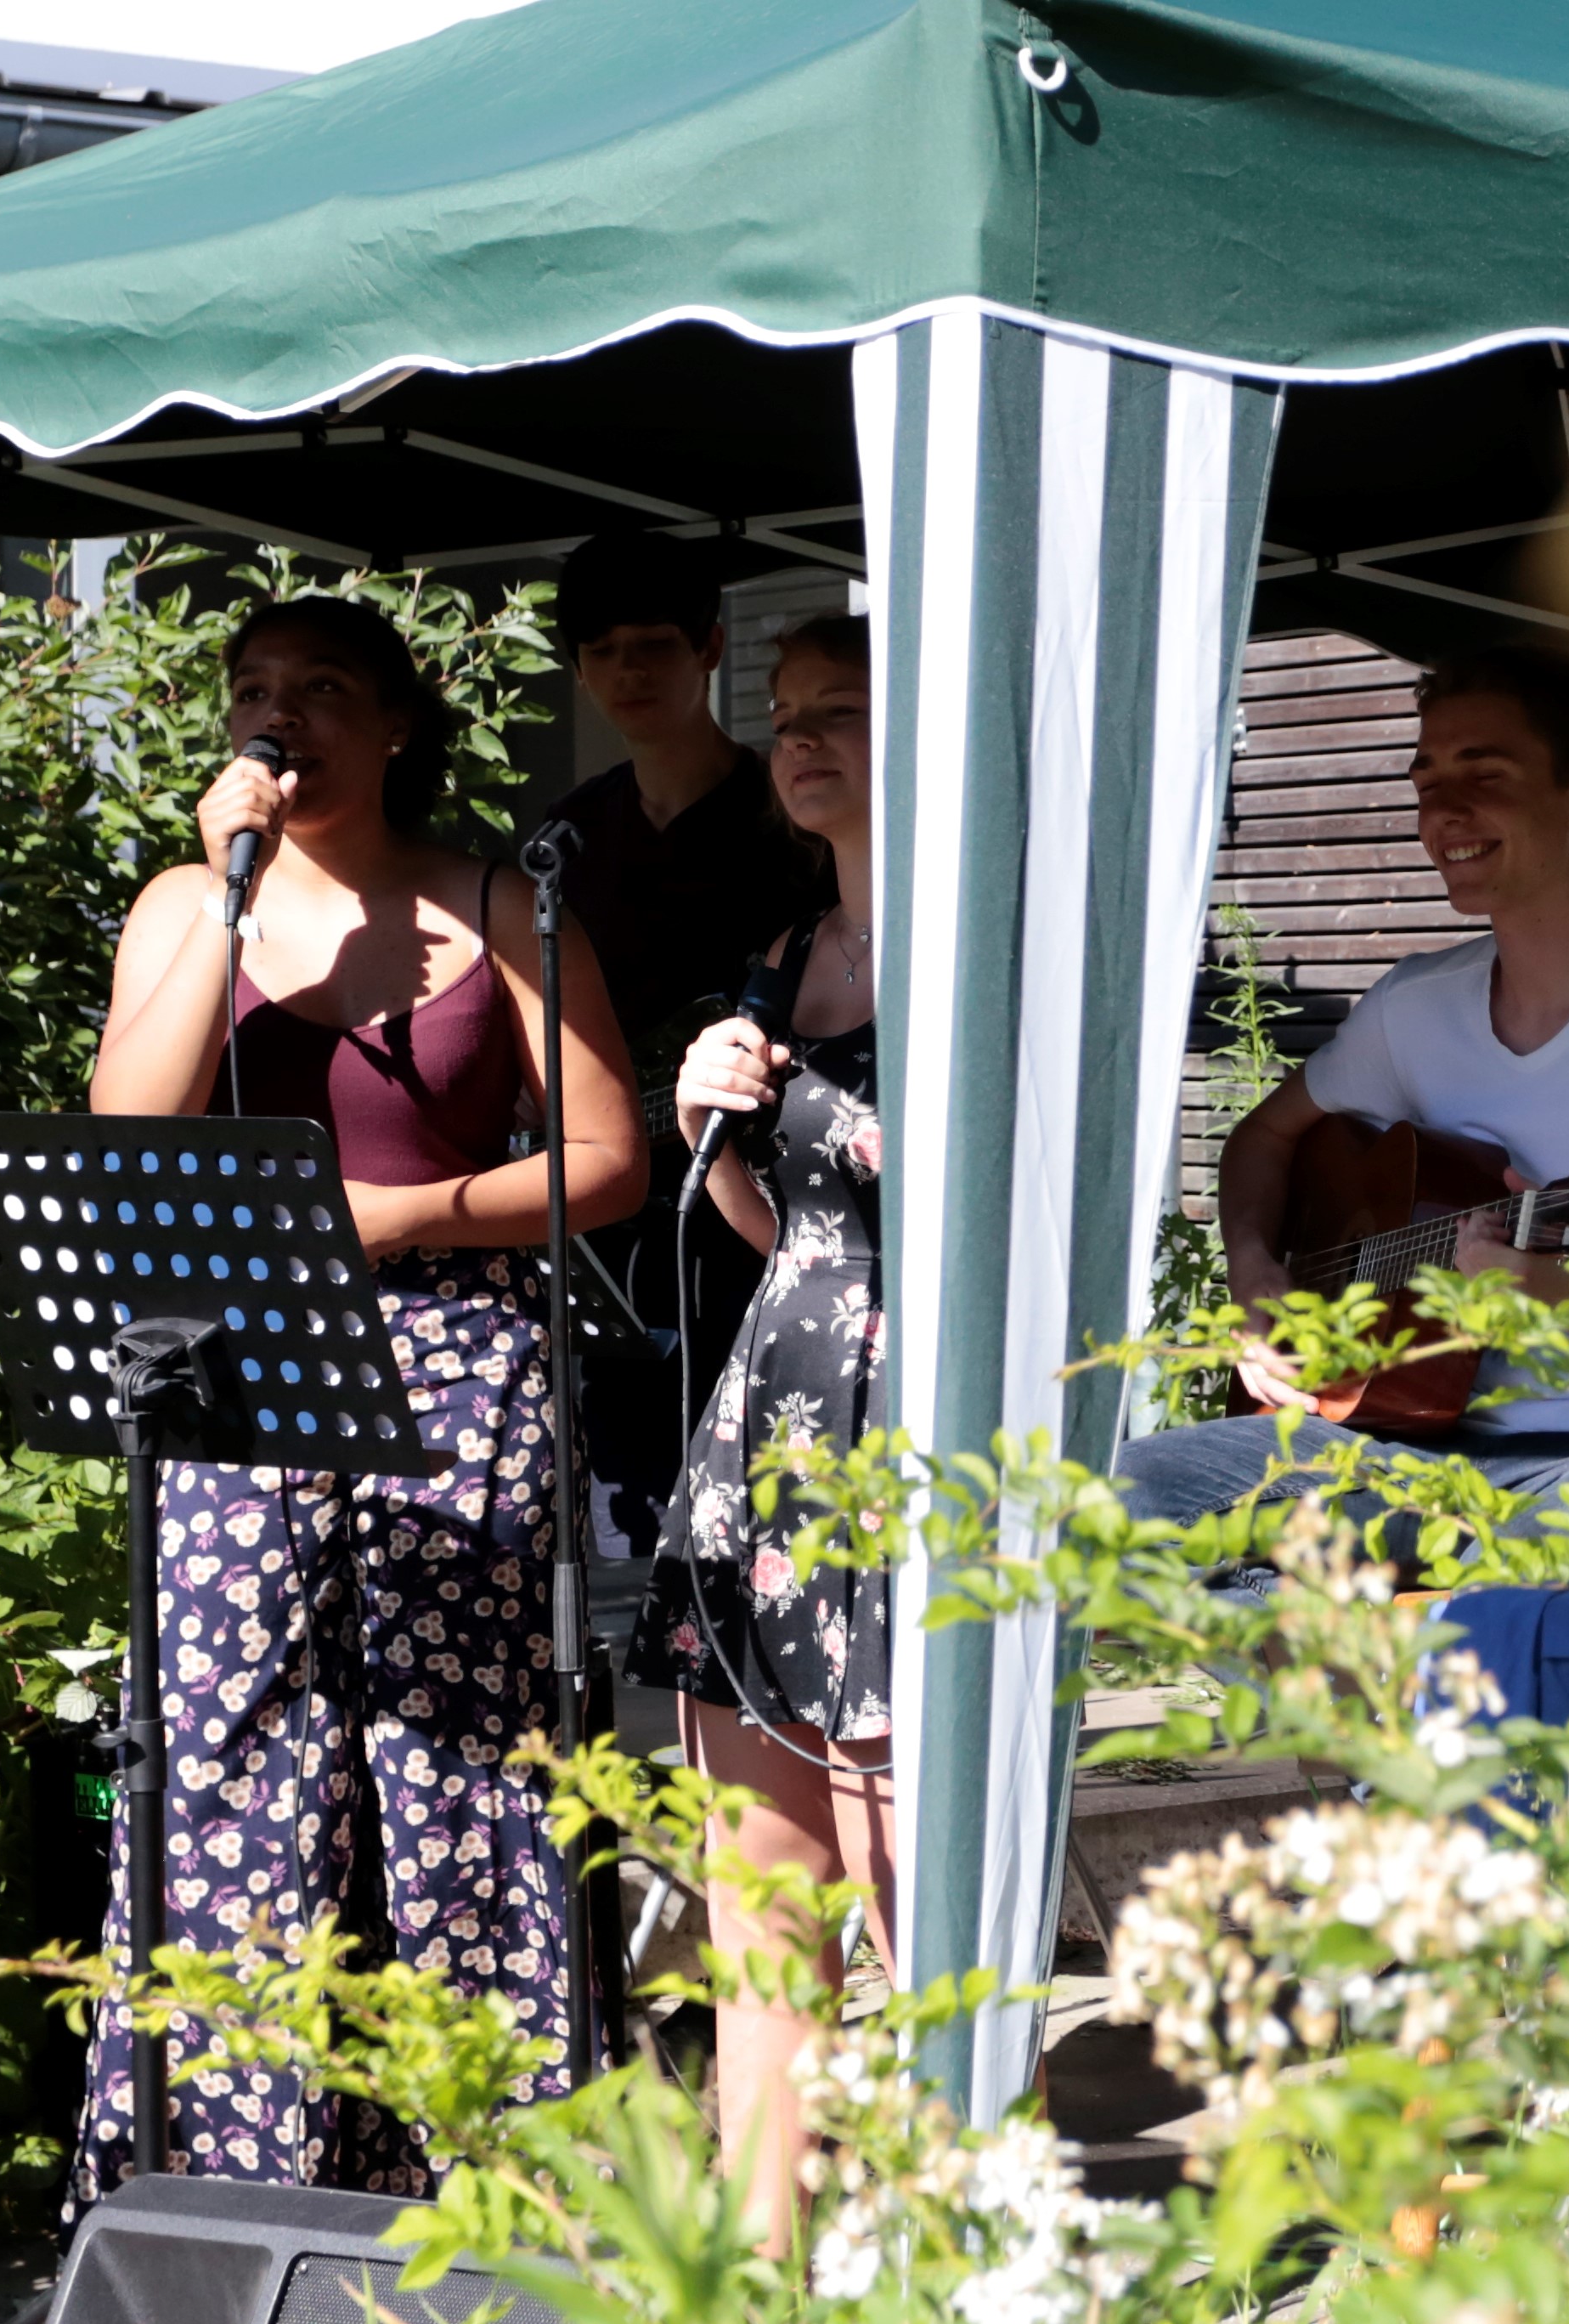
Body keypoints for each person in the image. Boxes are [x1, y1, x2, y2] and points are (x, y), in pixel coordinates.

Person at [73, 594, 648, 2207]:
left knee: (452, 1766)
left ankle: (480, 2185)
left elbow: (609, 1157)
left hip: (460, 1366)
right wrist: (226, 907)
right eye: (254, 688)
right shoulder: (186, 900)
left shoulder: (494, 899)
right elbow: (125, 1138)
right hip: (240, 1374)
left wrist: (405, 1215)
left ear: (396, 722)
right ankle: (236, 2183)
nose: (281, 716)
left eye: (322, 688)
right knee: (234, 1757)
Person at [1117, 645, 1569, 1551]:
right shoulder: (1414, 1006)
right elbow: (1263, 1139)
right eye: (1426, 781)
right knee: (1106, 1500)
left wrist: (1540, 1292)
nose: (1443, 811)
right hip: (1404, 1440)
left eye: (1484, 775)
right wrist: (1253, 1275)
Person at [616, 615, 891, 2239]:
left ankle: (964, 2256)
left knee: (916, 1913)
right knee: (761, 1909)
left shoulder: (982, 957)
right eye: (785, 712)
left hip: (912, 1445)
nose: (799, 737)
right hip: (769, 1438)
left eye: (840, 709)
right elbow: (779, 1232)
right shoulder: (788, 953)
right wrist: (702, 1125)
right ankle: (755, 2261)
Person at [529, 531, 832, 1564]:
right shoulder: (565, 838)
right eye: (603, 649)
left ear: (709, 646)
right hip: (614, 1235)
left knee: (774, 1507)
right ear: (578, 666)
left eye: (655, 643)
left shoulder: (794, 815)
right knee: (633, 1511)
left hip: (772, 1215)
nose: (630, 670)